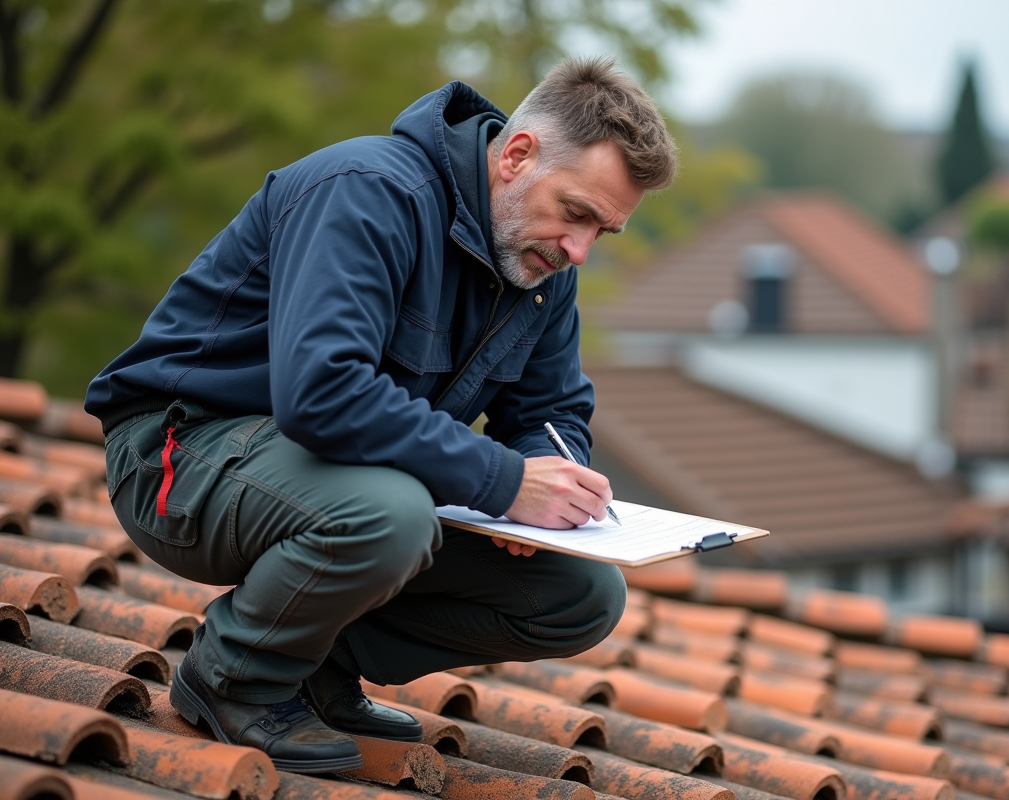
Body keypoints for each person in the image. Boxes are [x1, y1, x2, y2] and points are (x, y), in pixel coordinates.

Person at [84, 57, 677, 773]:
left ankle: (313, 665)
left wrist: (559, 487)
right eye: (576, 213)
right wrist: (503, 481)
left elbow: (551, 413)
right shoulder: (368, 190)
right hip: (180, 453)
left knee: (580, 592)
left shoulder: (542, 267)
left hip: (332, 479)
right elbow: (323, 393)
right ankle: (233, 677)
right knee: (391, 513)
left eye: (600, 233)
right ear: (516, 156)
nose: (578, 249)